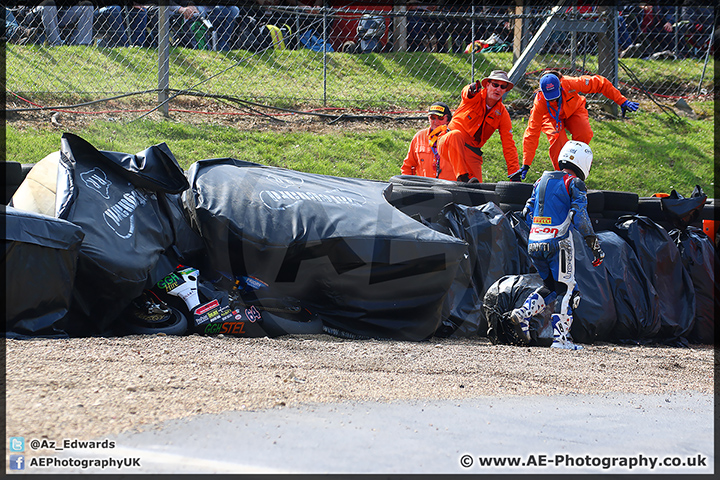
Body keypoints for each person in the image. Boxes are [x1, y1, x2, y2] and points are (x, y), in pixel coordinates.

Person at [509, 141, 604, 350]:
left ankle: (522, 314)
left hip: (534, 241)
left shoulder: (540, 181)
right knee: (567, 288)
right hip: (558, 243)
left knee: (550, 287)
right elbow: (581, 217)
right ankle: (561, 339)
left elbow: (527, 211)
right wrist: (594, 246)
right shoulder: (574, 183)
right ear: (583, 162)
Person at [520, 70, 639, 176]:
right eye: (549, 97)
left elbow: (600, 83)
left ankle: (576, 171)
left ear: (560, 85)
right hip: (551, 118)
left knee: (584, 134)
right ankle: (562, 175)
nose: (553, 100)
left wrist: (622, 101)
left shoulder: (571, 83)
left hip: (574, 110)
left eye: (555, 96)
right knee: (558, 141)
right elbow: (532, 132)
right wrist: (526, 163)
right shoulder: (539, 102)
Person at [437, 70, 522, 183]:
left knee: (478, 194)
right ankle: (462, 176)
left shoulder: (502, 114)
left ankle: (466, 180)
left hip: (472, 153)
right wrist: (470, 89)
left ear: (505, 90)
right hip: (449, 143)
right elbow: (466, 93)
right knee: (455, 134)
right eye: (495, 84)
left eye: (502, 87)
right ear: (487, 84)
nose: (498, 89)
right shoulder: (475, 95)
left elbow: (509, 145)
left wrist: (514, 173)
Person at [400, 101, 456, 181]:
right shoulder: (419, 137)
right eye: (432, 117)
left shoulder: (455, 137)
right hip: (425, 188)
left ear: (448, 119)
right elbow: (408, 167)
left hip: (449, 189)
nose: (436, 122)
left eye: (440, 118)